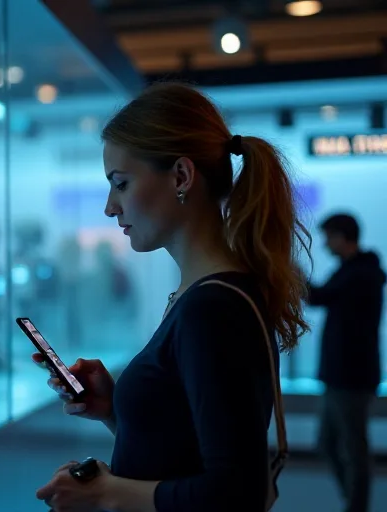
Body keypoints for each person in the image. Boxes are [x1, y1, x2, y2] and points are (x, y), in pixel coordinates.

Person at [32, 81, 311, 512]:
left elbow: (235, 495)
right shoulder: (204, 296)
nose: (110, 207)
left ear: (181, 176)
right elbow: (184, 454)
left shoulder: (213, 308)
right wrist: (115, 410)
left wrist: (102, 492)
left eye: (121, 184)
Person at [306, 212, 385, 512]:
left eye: (328, 237)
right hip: (340, 377)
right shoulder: (353, 271)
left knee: (353, 449)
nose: (326, 244)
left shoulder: (361, 274)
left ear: (342, 236)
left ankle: (356, 506)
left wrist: (291, 272)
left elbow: (318, 297)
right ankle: (353, 502)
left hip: (352, 378)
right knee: (330, 443)